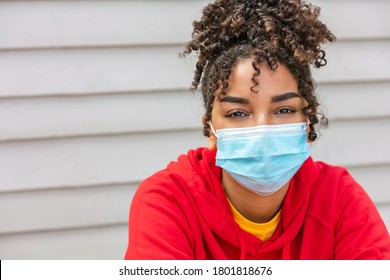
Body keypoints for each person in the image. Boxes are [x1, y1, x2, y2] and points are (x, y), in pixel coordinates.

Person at [125, 0, 390, 259]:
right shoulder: (168, 201)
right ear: (210, 129)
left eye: (284, 110)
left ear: (307, 120)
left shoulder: (338, 198)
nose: (262, 128)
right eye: (237, 113)